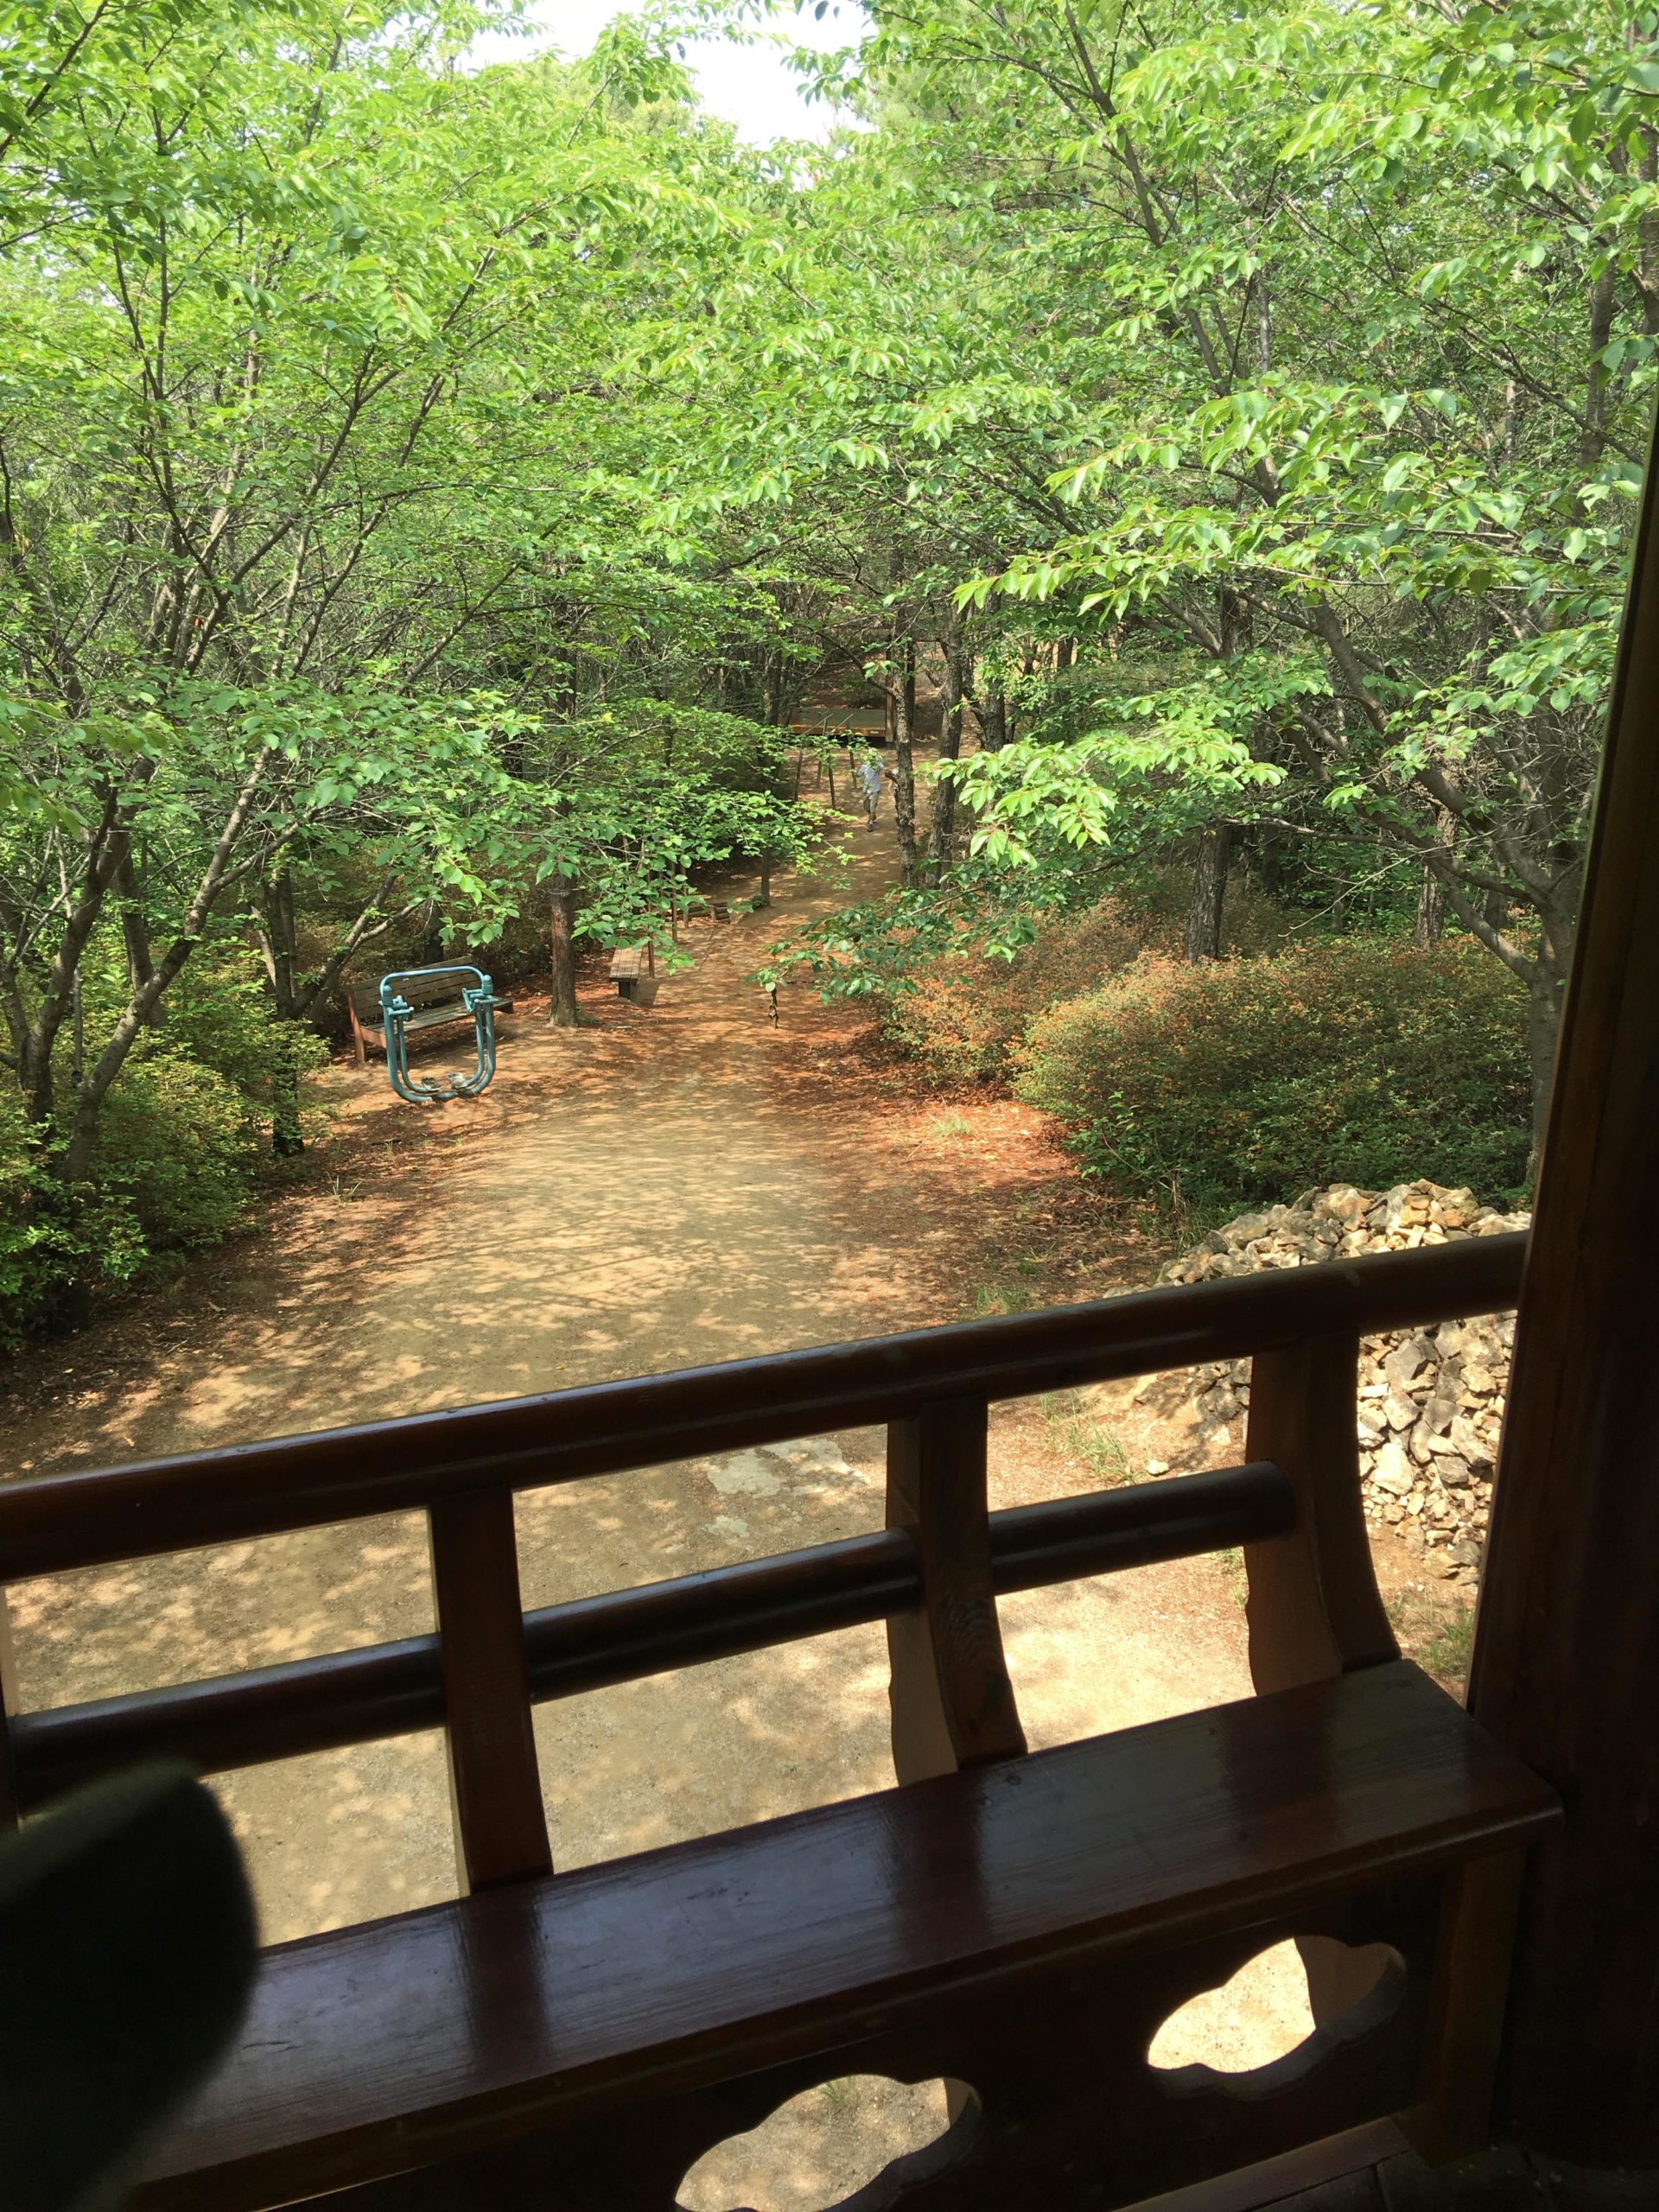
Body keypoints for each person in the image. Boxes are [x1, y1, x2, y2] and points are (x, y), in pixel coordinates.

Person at [855, 750, 884, 830]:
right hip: (866, 789)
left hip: (875, 789)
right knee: (866, 806)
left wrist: (876, 759)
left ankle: (870, 823)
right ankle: (872, 815)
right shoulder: (865, 765)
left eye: (873, 756)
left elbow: (882, 766)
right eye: (870, 756)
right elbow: (860, 774)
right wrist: (856, 773)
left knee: (872, 807)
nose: (871, 758)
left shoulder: (877, 766)